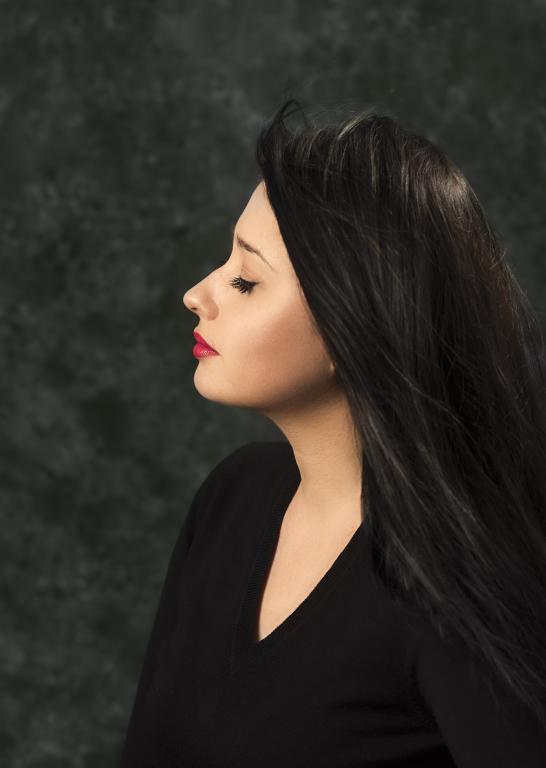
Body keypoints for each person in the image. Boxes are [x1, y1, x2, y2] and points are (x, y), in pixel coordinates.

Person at [119, 99, 546, 766]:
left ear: (353, 324)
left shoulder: (450, 587)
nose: (197, 294)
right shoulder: (232, 499)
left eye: (246, 280)